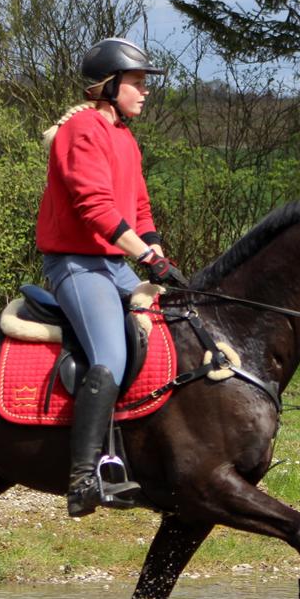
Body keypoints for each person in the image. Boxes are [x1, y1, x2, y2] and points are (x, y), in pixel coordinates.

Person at [36, 37, 187, 518]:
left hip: (114, 265)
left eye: (145, 84)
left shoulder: (124, 136)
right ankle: (83, 478)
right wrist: (145, 256)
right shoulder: (81, 131)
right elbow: (94, 208)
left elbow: (138, 207)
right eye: (138, 84)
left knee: (172, 331)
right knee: (112, 354)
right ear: (110, 85)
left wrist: (158, 254)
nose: (144, 93)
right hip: (77, 265)